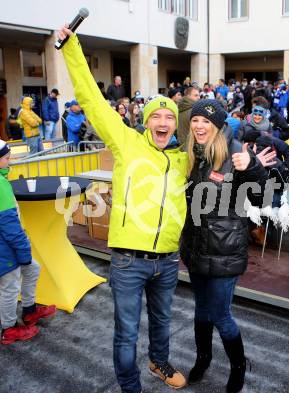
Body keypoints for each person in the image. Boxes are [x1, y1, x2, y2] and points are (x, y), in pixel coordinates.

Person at [59, 26, 189, 392]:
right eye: (156, 116)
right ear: (146, 121)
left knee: (162, 322)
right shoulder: (126, 143)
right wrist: (72, 48)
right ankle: (130, 386)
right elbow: (91, 100)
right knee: (126, 331)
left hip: (166, 259)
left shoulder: (182, 159)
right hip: (129, 261)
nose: (163, 122)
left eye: (168, 117)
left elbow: (216, 143)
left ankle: (159, 364)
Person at [180, 99, 273, 393]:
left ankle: (238, 366)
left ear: (218, 126)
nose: (199, 126)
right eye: (195, 120)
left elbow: (262, 199)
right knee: (201, 311)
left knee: (221, 314)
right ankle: (203, 358)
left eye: (206, 121)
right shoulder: (193, 154)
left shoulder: (235, 155)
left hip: (224, 251)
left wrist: (253, 167)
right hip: (195, 248)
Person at [0, 140, 57, 345]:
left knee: (32, 269)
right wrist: (23, 252)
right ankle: (8, 329)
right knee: (10, 287)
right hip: (5, 249)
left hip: (7, 246)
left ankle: (29, 311)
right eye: (6, 158)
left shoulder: (2, 179)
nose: (10, 161)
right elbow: (10, 227)